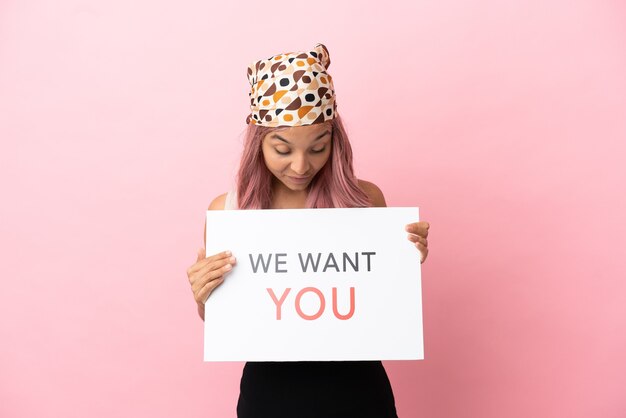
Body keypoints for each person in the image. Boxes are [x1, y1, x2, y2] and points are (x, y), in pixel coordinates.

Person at [186, 43, 430, 418]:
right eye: (282, 150)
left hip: (359, 394)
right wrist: (204, 297)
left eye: (319, 147)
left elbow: (383, 301)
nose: (301, 166)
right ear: (258, 144)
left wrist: (407, 259)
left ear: (336, 141)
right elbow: (225, 321)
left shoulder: (366, 198)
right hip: (269, 397)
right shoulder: (228, 212)